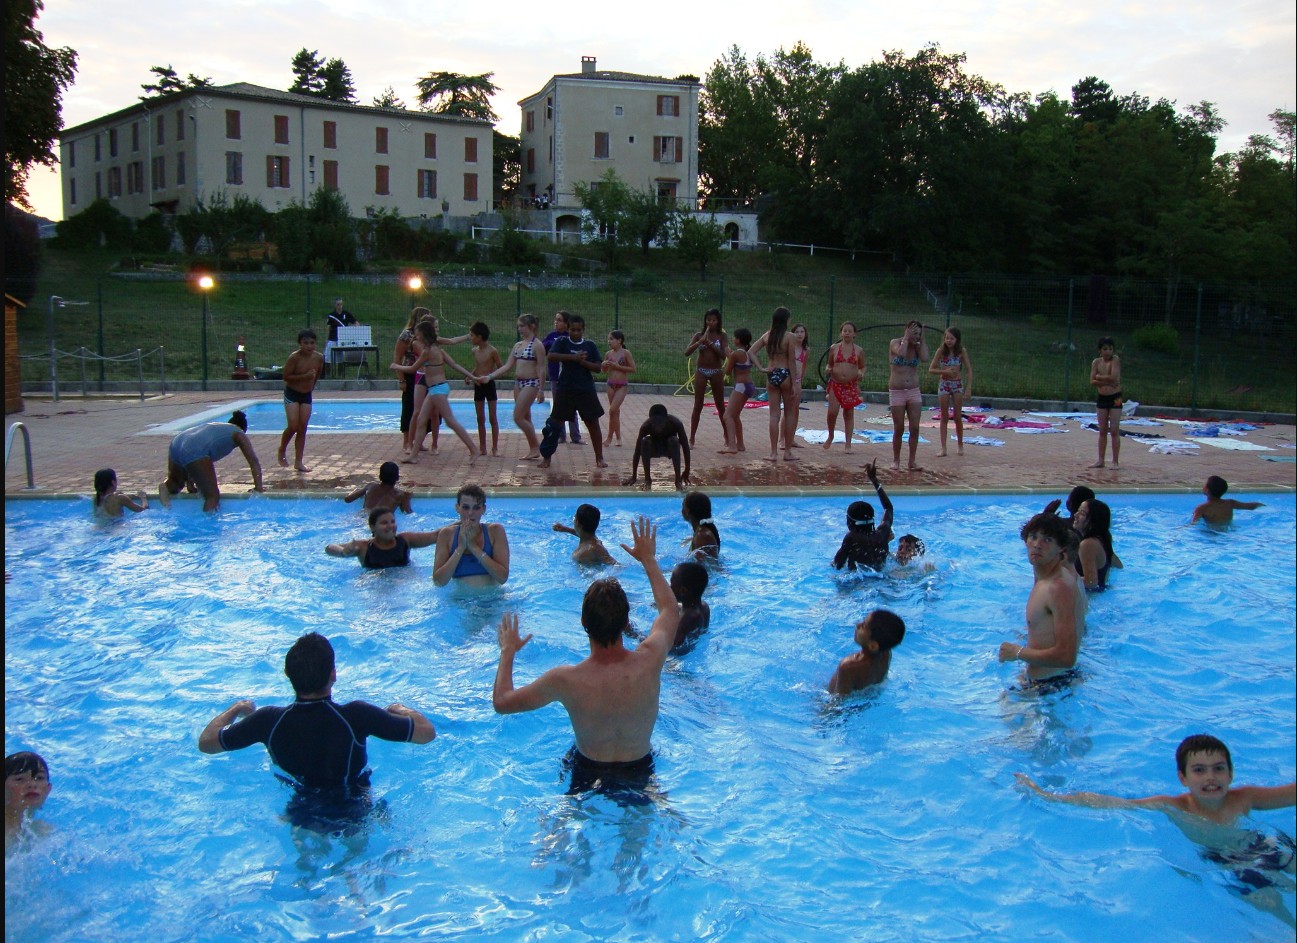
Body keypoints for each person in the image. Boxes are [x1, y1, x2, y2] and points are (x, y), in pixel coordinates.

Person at [492, 515, 678, 798]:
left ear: (582, 622)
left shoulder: (565, 679)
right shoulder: (650, 660)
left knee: (562, 831)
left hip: (586, 771)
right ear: (626, 622)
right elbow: (669, 610)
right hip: (640, 769)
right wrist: (648, 560)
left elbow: (502, 703)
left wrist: (507, 652)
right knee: (636, 838)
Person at [198, 632, 435, 832]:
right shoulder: (357, 715)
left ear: (288, 675)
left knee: (306, 866)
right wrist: (399, 708)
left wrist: (237, 708)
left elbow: (207, 742)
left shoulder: (268, 720)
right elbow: (426, 733)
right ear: (333, 674)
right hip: (356, 807)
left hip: (300, 811)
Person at [1015, 735, 1296, 886]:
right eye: (1199, 771)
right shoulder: (1172, 806)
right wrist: (1048, 795)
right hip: (1227, 861)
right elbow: (1110, 802)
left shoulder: (1245, 798)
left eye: (1218, 769)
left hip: (1262, 845)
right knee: (1272, 905)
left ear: (1231, 774)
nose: (1210, 778)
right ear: (1183, 779)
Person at [997, 511, 1085, 687]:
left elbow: (1067, 657)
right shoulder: (1044, 574)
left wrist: (1017, 652)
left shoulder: (1059, 588)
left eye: (1047, 540)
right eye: (1033, 537)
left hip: (1053, 688)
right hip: (1042, 681)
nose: (1037, 545)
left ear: (1061, 547)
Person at [391, 320, 479, 464]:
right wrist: (472, 376)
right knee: (421, 420)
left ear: (424, 335)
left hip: (438, 389)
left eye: (417, 335)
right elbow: (455, 365)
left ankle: (473, 449)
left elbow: (413, 369)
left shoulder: (427, 352)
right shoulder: (438, 350)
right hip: (436, 389)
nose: (416, 338)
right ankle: (413, 455)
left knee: (450, 421)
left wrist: (396, 366)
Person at [159, 410, 264, 512]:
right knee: (212, 496)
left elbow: (196, 465)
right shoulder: (239, 434)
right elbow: (254, 462)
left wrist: (190, 483)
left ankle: (166, 486)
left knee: (176, 485)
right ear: (244, 429)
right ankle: (207, 526)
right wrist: (258, 488)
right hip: (194, 448)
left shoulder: (218, 427)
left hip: (178, 441)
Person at [538, 314, 606, 469]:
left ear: (583, 330)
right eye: (573, 330)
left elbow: (598, 367)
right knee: (554, 424)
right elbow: (552, 356)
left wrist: (583, 362)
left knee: (593, 423)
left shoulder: (589, 345)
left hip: (585, 388)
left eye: (579, 330)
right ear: (568, 329)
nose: (576, 333)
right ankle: (547, 457)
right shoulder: (562, 342)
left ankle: (599, 458)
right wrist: (572, 357)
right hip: (566, 388)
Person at [480, 314, 547, 461]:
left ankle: (537, 447)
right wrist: (490, 377)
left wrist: (541, 390)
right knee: (525, 416)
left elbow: (541, 368)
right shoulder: (518, 345)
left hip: (531, 383)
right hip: (518, 384)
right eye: (518, 326)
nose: (520, 329)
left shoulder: (537, 345)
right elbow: (507, 366)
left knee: (517, 417)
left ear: (532, 326)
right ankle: (533, 449)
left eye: (522, 326)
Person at [748, 306, 801, 462]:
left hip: (771, 374)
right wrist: (795, 383)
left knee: (774, 415)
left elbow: (751, 351)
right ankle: (788, 452)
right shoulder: (789, 337)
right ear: (786, 320)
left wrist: (761, 368)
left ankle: (772, 453)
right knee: (790, 413)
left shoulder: (768, 335)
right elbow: (791, 361)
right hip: (785, 374)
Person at [432, 483, 510, 586]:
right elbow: (438, 582)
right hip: (459, 601)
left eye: (476, 508)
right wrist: (460, 547)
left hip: (492, 601)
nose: (470, 513)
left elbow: (502, 578)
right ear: (457, 508)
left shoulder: (495, 531)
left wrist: (473, 546)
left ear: (484, 509)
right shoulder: (446, 535)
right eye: (465, 507)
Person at [326, 507, 440, 569]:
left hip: (404, 587)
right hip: (373, 589)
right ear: (372, 527)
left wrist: (458, 523)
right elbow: (329, 548)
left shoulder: (406, 539)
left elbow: (436, 535)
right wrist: (343, 552)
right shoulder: (363, 547)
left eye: (393, 521)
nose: (390, 526)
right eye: (384, 523)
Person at [832, 459, 894, 572]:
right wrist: (875, 481)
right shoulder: (883, 533)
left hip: (856, 582)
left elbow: (838, 565)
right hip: (881, 578)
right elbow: (888, 508)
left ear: (850, 522)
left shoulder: (851, 537)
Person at [827, 609, 906, 695]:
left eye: (863, 626)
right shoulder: (886, 654)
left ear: (873, 646)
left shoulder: (848, 666)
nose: (858, 625)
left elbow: (840, 698)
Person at [279, 328, 324, 472]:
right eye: (306, 343)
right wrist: (304, 377)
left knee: (302, 428)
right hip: (292, 393)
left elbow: (317, 374)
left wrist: (310, 386)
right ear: (300, 344)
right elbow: (286, 377)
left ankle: (298, 461)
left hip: (306, 394)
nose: (309, 346)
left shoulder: (318, 358)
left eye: (312, 343)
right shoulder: (294, 358)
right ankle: (282, 448)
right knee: (293, 426)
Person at [888, 320, 929, 472]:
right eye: (914, 333)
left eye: (918, 334)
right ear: (906, 331)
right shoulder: (895, 343)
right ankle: (896, 459)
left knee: (915, 427)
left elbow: (925, 358)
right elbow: (901, 353)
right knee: (899, 428)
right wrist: (906, 338)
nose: (916, 337)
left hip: (913, 391)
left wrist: (922, 340)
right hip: (897, 391)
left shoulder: (918, 347)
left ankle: (912, 460)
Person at [685, 308, 730, 447]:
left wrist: (710, 343)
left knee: (720, 405)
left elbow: (724, 356)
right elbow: (687, 352)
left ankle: (727, 435)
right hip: (701, 371)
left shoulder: (722, 336)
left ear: (718, 321)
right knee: (698, 404)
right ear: (705, 321)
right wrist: (700, 342)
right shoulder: (699, 335)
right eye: (708, 320)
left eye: (714, 320)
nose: (711, 322)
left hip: (716, 370)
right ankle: (692, 437)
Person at [623, 403, 691, 491]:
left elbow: (685, 447)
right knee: (645, 442)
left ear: (666, 419)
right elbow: (637, 451)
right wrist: (634, 476)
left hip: (669, 448)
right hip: (654, 447)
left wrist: (687, 469)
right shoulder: (645, 426)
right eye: (654, 423)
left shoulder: (675, 423)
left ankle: (677, 480)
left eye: (660, 423)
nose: (657, 426)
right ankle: (647, 480)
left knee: (674, 441)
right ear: (650, 420)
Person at [928, 326, 973, 457]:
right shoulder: (941, 351)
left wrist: (968, 388)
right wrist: (944, 372)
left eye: (951, 338)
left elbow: (969, 370)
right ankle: (943, 447)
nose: (949, 341)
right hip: (944, 384)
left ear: (957, 339)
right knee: (944, 416)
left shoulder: (961, 351)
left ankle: (960, 445)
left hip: (957, 384)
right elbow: (931, 369)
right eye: (947, 338)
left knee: (958, 416)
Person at [822, 321, 865, 451]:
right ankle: (830, 435)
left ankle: (848, 443)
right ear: (841, 333)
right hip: (836, 383)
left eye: (849, 331)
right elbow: (829, 364)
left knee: (848, 413)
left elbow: (863, 367)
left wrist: (861, 373)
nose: (846, 333)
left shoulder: (858, 350)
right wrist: (828, 369)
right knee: (832, 412)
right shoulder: (834, 348)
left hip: (850, 386)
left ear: (854, 334)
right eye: (844, 331)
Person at [542, 311, 582, 444]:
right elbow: (544, 347)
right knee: (558, 406)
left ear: (566, 324)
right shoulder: (551, 336)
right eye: (555, 319)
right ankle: (560, 435)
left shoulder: (569, 337)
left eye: (559, 320)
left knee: (573, 406)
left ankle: (576, 436)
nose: (556, 322)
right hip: (555, 376)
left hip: (569, 376)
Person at [466, 322, 504, 457]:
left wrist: (490, 375)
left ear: (480, 337)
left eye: (472, 335)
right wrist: (470, 375)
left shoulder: (492, 351)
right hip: (478, 385)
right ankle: (482, 447)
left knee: (492, 417)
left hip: (489, 384)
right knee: (480, 417)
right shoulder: (475, 350)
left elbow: (500, 367)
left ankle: (495, 447)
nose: (470, 338)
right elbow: (478, 366)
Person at [5, 751, 53, 852]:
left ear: (48, 790)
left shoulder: (42, 830)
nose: (32, 784)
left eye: (39, 778)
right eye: (20, 779)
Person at [719, 328, 756, 454]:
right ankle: (740, 444)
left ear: (738, 339)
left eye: (734, 337)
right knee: (735, 416)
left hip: (741, 386)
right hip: (749, 384)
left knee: (727, 415)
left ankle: (732, 445)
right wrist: (731, 356)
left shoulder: (736, 354)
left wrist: (729, 356)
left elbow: (728, 371)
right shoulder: (747, 351)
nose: (733, 339)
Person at [1090, 336, 1123, 469]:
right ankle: (1100, 460)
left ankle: (1115, 461)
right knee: (1102, 430)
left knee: (1114, 430)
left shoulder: (1115, 360)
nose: (1108, 352)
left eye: (1110, 349)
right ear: (1100, 351)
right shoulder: (1096, 363)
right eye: (1105, 349)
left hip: (1115, 398)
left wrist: (1099, 377)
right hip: (1102, 397)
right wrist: (1103, 379)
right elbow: (1092, 381)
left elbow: (1114, 377)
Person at [393, 308, 423, 452]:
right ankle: (407, 441)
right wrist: (402, 380)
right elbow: (397, 358)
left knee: (422, 408)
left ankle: (418, 440)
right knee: (409, 407)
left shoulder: (425, 335)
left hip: (423, 374)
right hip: (410, 375)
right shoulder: (406, 335)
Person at [602, 329, 636, 448]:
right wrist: (604, 366)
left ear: (619, 340)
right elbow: (604, 371)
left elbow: (633, 369)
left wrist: (618, 366)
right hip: (611, 385)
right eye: (608, 339)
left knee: (612, 411)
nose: (609, 341)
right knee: (615, 412)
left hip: (622, 386)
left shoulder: (625, 353)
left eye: (611, 339)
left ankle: (609, 437)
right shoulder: (608, 354)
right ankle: (618, 438)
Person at [552, 503, 617, 566]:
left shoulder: (594, 548)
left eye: (574, 517)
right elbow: (583, 534)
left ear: (577, 522)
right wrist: (565, 529)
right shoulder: (589, 539)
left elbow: (616, 565)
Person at [1073, 498, 1114, 590]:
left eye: (1082, 513)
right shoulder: (1104, 537)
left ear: (1093, 521)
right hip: (1100, 595)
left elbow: (1091, 582)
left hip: (1091, 598)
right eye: (1078, 511)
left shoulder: (1087, 544)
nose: (1076, 515)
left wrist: (1060, 577)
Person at [344, 461, 413, 514]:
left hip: (361, 517)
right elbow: (408, 513)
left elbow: (347, 499)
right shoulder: (400, 494)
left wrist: (357, 490)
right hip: (379, 521)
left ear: (379, 477)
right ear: (397, 478)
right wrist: (407, 499)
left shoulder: (370, 486)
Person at [1192, 475, 1265, 526]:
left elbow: (1193, 524)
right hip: (1228, 531)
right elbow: (1250, 506)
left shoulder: (1201, 508)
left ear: (1207, 490)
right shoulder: (1230, 503)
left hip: (1211, 534)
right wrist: (1265, 506)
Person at [669, 561, 710, 652]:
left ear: (683, 591)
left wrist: (636, 635)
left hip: (679, 658)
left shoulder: (685, 619)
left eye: (672, 584)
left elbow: (670, 648)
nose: (669, 587)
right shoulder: (704, 606)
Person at [783, 322, 811, 450]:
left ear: (805, 335)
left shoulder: (806, 350)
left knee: (795, 410)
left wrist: (800, 382)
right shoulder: (790, 347)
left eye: (802, 332)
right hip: (789, 380)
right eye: (797, 332)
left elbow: (803, 367)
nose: (799, 334)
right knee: (787, 411)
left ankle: (791, 438)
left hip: (798, 381)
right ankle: (782, 439)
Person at [681, 490, 720, 561]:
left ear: (687, 511)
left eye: (683, 506)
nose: (681, 510)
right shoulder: (703, 531)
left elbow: (701, 567)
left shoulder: (702, 537)